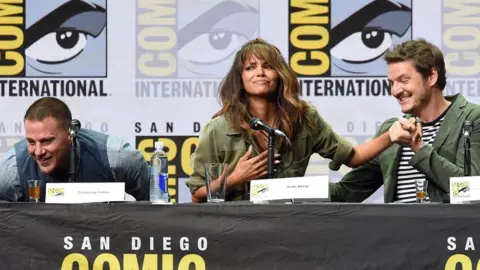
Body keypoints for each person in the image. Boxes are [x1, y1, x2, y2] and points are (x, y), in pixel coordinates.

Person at [186, 38, 410, 203]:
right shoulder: (218, 129)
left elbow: (353, 157)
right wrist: (236, 178)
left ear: (280, 74)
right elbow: (197, 195)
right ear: (240, 78)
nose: (260, 72)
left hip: (290, 230)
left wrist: (391, 135)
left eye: (268, 66)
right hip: (235, 232)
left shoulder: (304, 118)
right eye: (250, 67)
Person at [330, 38, 480, 203]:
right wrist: (299, 186)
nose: (395, 91)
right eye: (392, 83)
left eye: (403, 80)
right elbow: (346, 192)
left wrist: (418, 148)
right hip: (400, 228)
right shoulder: (393, 131)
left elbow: (469, 190)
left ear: (431, 76)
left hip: (450, 228)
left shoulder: (471, 119)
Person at [0, 97, 150, 202]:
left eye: (47, 141)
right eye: (31, 142)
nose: (38, 151)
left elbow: (159, 210)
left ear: (70, 134)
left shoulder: (117, 157)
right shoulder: (11, 171)